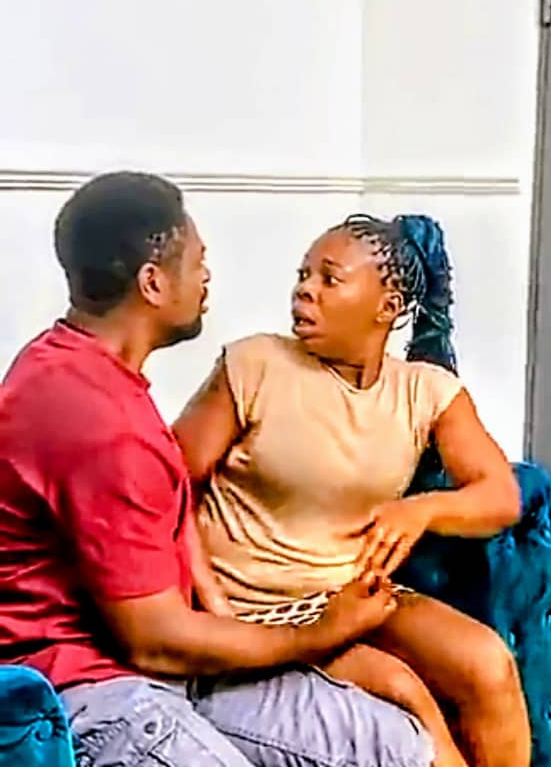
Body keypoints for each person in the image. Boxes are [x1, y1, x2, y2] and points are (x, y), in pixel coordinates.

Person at [0, 173, 436, 767]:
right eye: (197, 262)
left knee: (398, 746)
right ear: (153, 283)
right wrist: (319, 634)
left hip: (171, 665)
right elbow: (154, 640)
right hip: (91, 689)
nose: (207, 276)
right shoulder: (100, 423)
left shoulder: (80, 368)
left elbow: (163, 519)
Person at [174, 214, 531, 767]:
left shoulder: (425, 390)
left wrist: (423, 510)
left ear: (387, 306)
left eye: (329, 278)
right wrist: (213, 607)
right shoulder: (253, 364)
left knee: (488, 663)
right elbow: (167, 487)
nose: (304, 290)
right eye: (303, 275)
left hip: (354, 593)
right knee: (400, 690)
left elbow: (501, 497)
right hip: (256, 607)